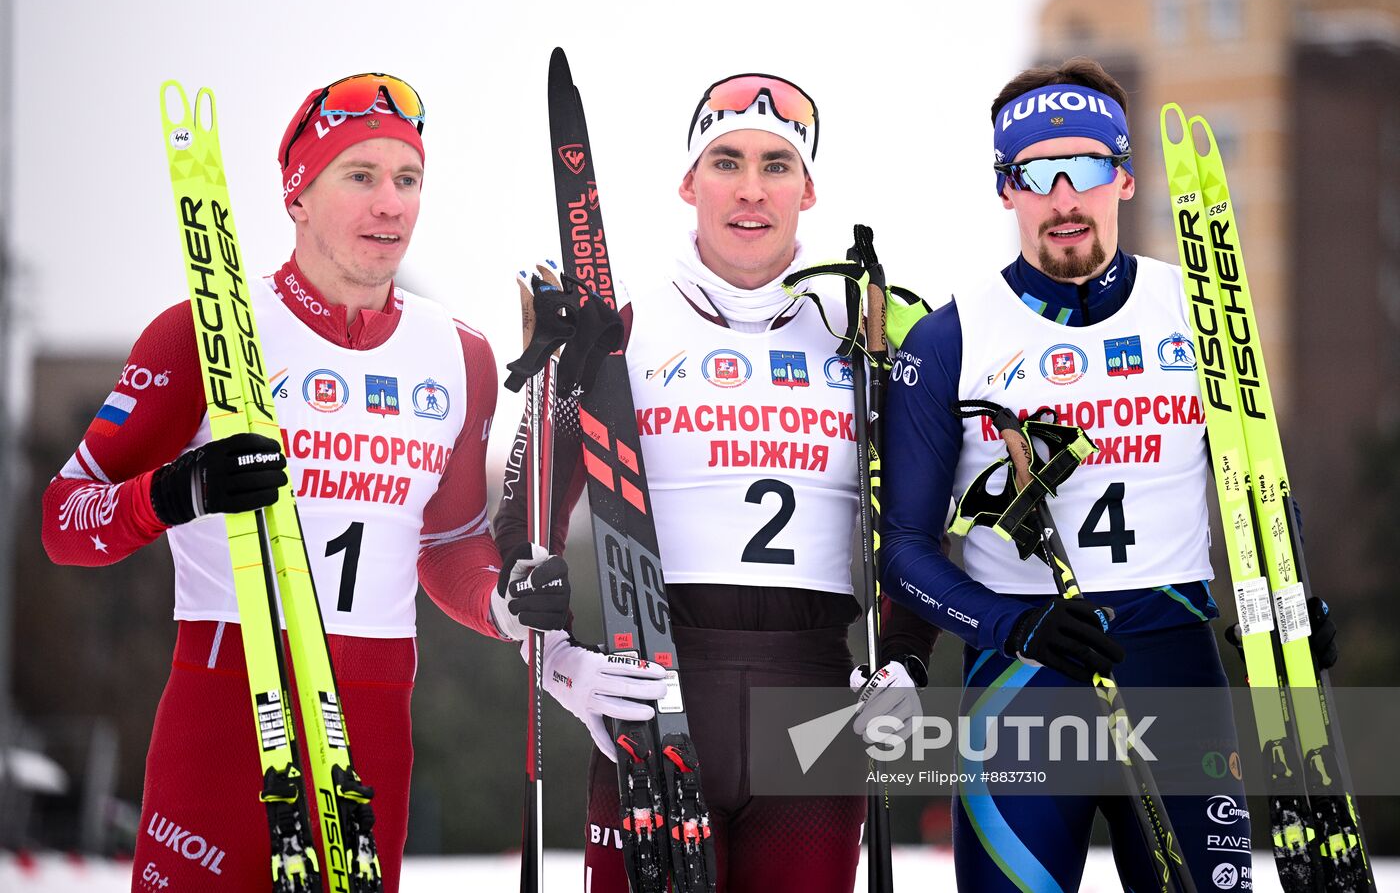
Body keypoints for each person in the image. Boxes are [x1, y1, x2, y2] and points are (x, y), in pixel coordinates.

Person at [41, 73, 565, 893]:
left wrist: (504, 603)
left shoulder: (458, 356)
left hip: (374, 723)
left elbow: (447, 542)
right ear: (299, 195)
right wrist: (178, 492)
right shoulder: (206, 331)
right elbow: (63, 521)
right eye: (360, 176)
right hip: (222, 717)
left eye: (408, 179)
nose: (389, 204)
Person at [880, 57, 1338, 891]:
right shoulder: (949, 339)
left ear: (1124, 176)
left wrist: (1292, 606)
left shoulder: (1202, 311)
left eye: (1087, 166)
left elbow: (1255, 482)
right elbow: (903, 550)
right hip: (1020, 688)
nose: (1064, 197)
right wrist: (1005, 626)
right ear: (1004, 189)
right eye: (1035, 173)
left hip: (1176, 668)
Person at [494, 73, 937, 892]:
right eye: (726, 160)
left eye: (777, 164)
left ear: (808, 189)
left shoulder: (865, 329)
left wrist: (908, 660)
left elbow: (913, 520)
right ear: (689, 182)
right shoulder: (619, 326)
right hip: (652, 689)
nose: (750, 188)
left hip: (815, 707)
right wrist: (556, 659)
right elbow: (520, 530)